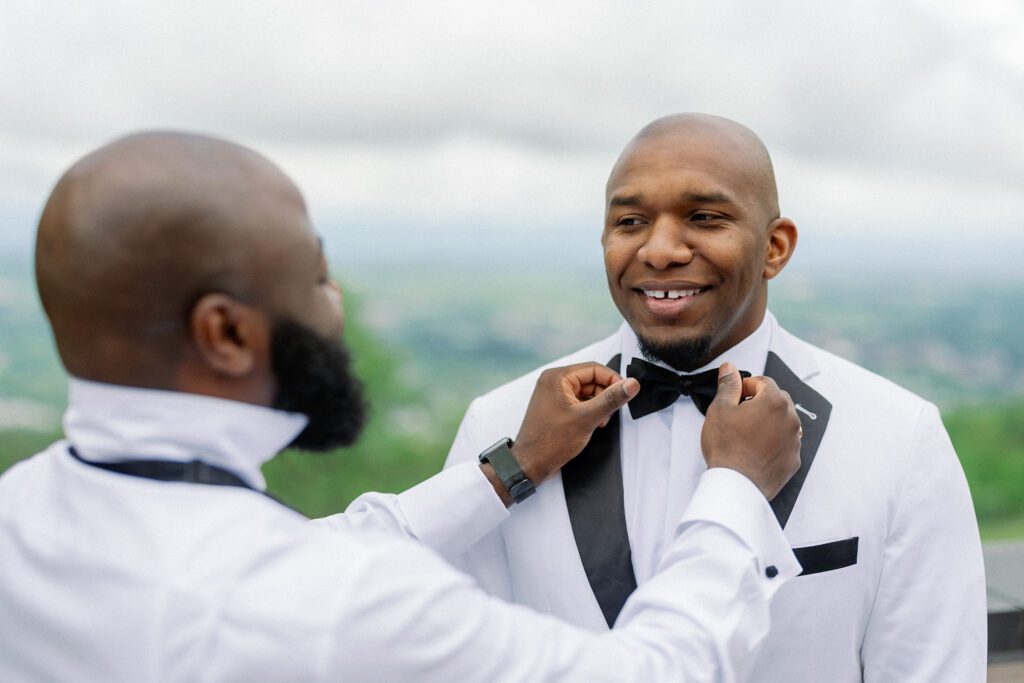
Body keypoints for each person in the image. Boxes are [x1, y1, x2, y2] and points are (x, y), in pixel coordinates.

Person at [0, 131, 804, 682]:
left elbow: (326, 545)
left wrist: (510, 467)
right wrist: (733, 488)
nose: (336, 302)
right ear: (227, 332)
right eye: (314, 278)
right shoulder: (339, 607)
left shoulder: (22, 510)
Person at [442, 114, 987, 682]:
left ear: (775, 247)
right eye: (631, 220)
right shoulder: (501, 426)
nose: (660, 250)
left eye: (704, 217)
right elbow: (454, 658)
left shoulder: (900, 436)